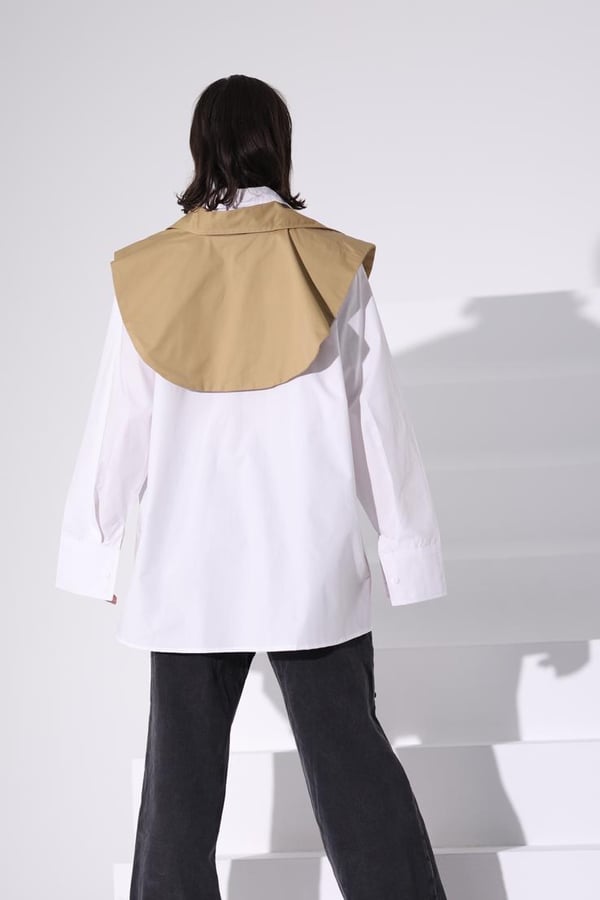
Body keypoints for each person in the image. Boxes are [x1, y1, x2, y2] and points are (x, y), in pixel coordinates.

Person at [55, 74, 449, 900]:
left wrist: (96, 551)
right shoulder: (330, 264)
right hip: (310, 559)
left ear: (199, 146)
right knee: (352, 767)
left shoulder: (149, 273)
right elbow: (379, 426)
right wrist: (407, 551)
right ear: (279, 142)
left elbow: (116, 426)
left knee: (179, 790)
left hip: (186, 563)